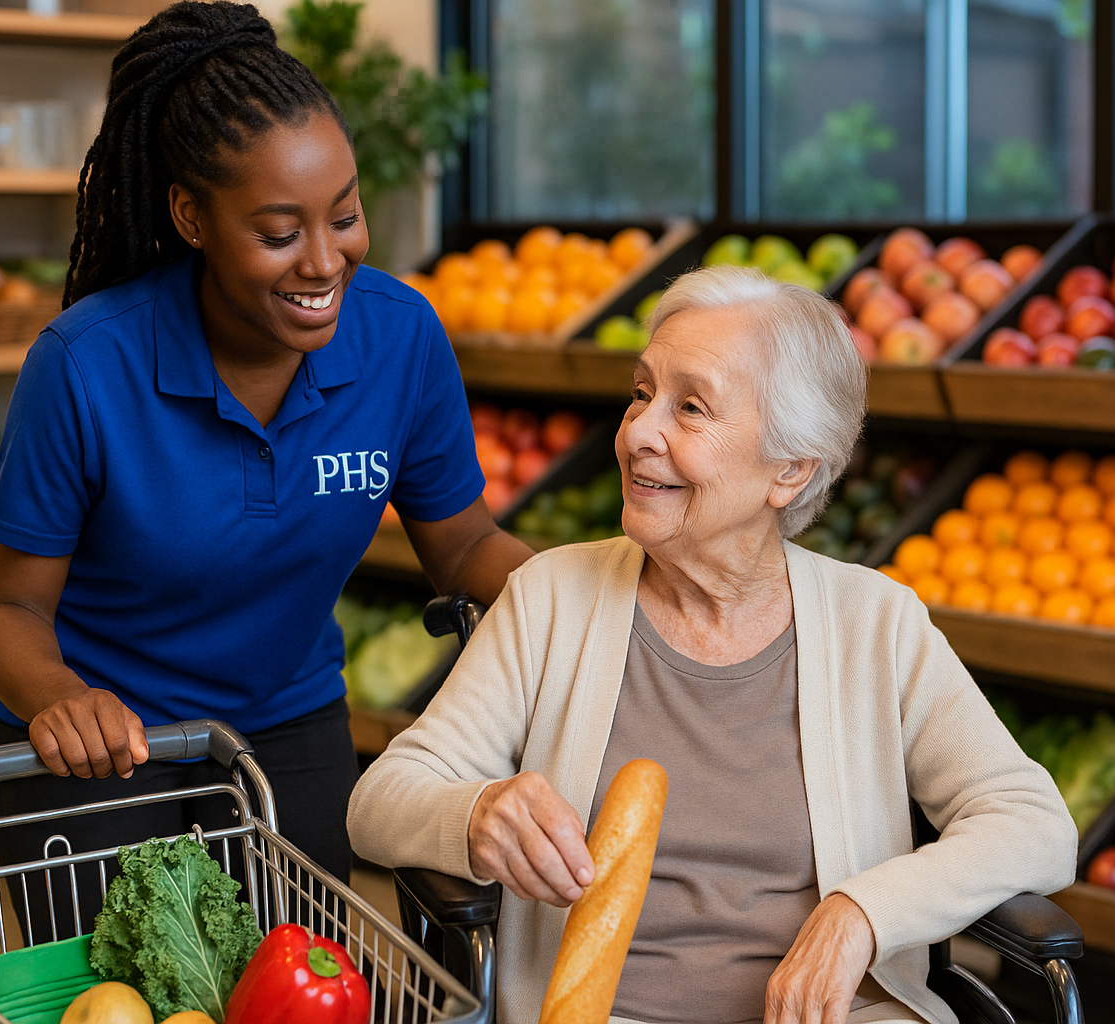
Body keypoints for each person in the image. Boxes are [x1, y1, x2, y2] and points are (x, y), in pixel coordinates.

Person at [348, 265, 1077, 1024]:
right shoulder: (551, 598)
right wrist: (476, 813)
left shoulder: (876, 624)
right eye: (641, 394)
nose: (638, 434)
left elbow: (1033, 823)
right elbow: (381, 800)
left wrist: (865, 912)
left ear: (790, 471)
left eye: (689, 408)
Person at [0, 0, 533, 935]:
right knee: (136, 997)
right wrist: (63, 700)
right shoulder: (84, 365)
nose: (325, 261)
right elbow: (6, 614)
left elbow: (463, 542)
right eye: (279, 233)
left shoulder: (400, 336)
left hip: (288, 724)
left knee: (304, 980)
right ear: (191, 215)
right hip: (105, 745)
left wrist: (584, 590)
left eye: (345, 217)